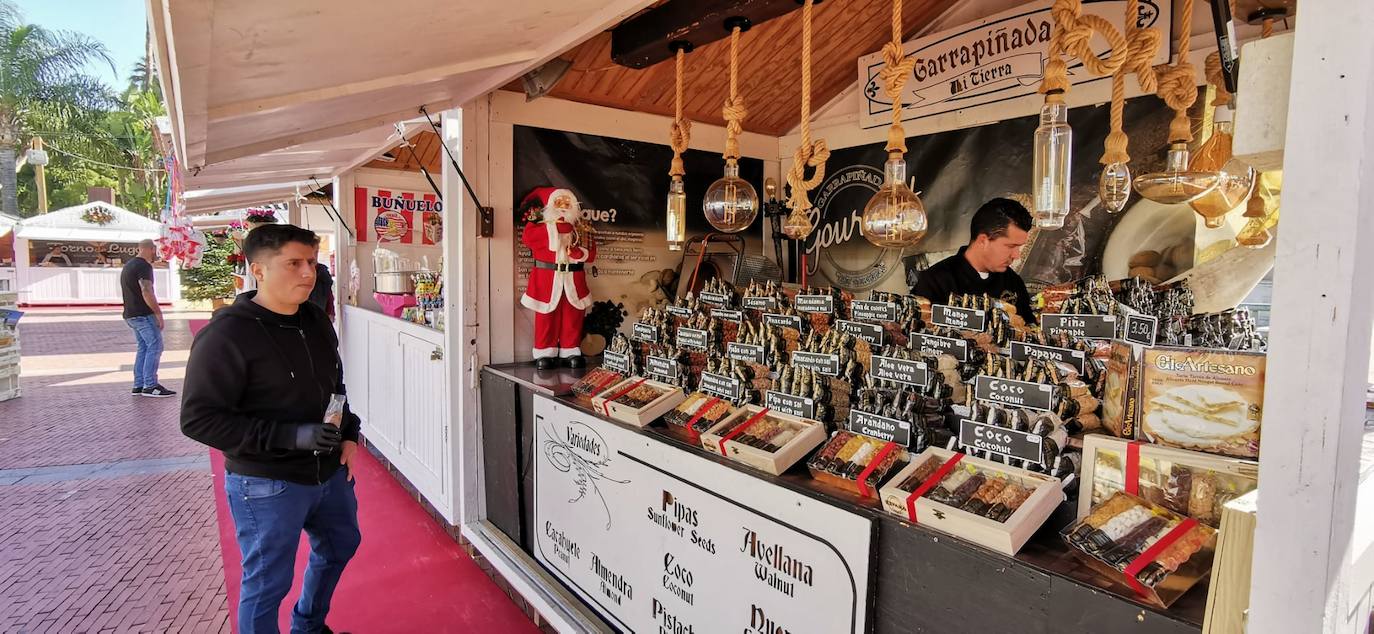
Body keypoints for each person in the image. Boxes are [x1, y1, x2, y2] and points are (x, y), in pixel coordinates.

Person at [181, 224, 362, 634]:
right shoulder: (226, 333)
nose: (307, 273)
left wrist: (349, 431)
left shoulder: (315, 320)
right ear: (258, 270)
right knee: (267, 584)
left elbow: (335, 385)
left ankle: (308, 626)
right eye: (293, 263)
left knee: (340, 547)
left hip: (329, 473)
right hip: (265, 482)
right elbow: (198, 418)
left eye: (312, 263)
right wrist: (289, 436)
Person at [912, 197, 1035, 319]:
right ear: (983, 241)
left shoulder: (1014, 283)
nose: (1016, 255)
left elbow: (1029, 329)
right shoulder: (935, 281)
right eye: (1011, 246)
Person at [121, 239, 174, 397]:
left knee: (143, 347)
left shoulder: (129, 265)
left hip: (131, 314)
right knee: (155, 346)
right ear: (151, 249)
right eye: (155, 250)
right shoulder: (143, 266)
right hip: (143, 314)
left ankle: (139, 384)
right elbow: (147, 290)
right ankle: (150, 385)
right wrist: (158, 312)